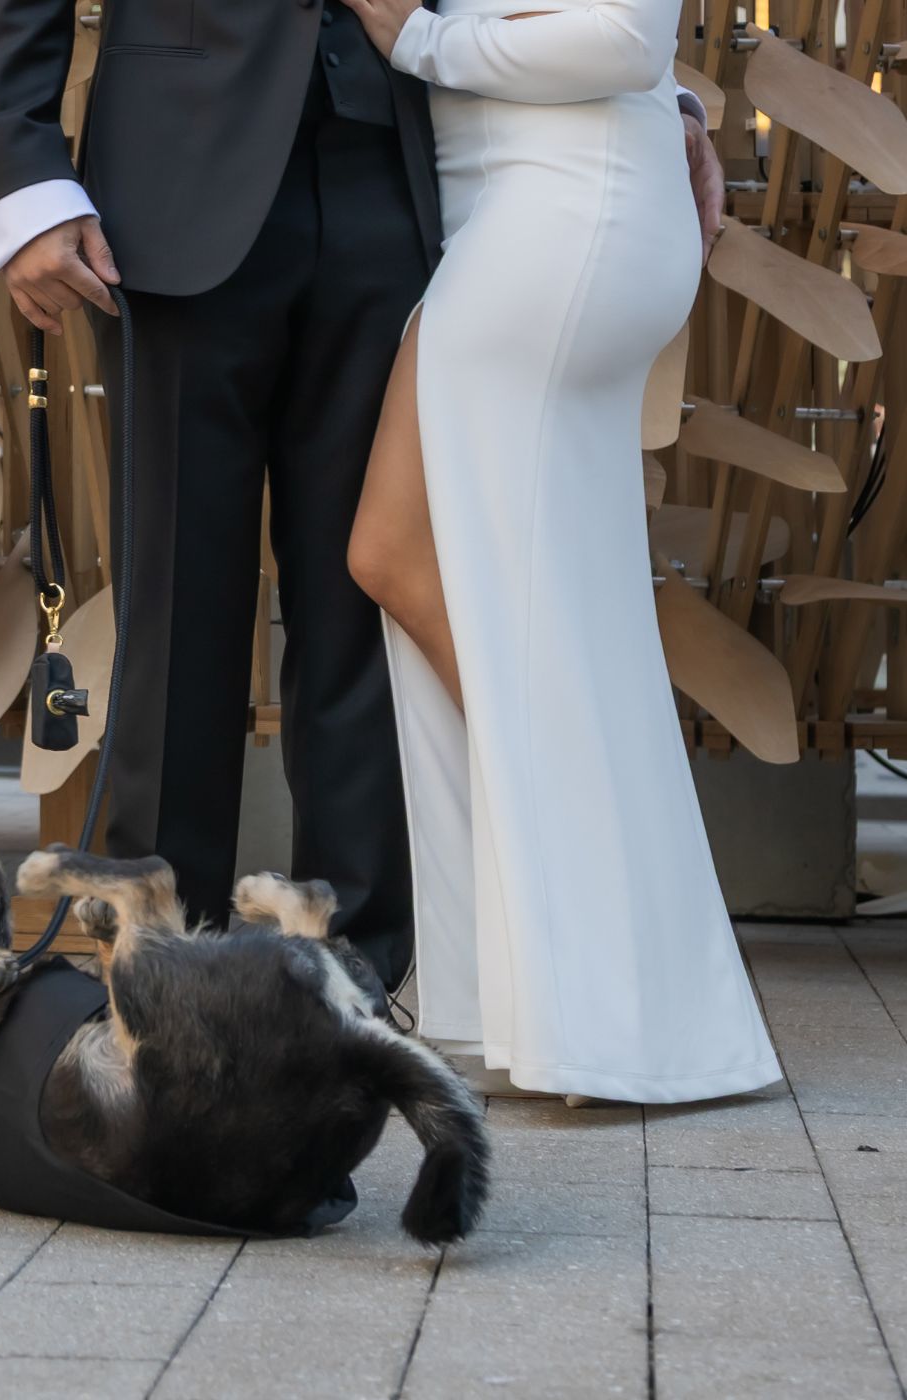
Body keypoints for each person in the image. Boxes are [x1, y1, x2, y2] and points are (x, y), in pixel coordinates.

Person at [0, 0, 724, 995]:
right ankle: (155, 981)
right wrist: (24, 169)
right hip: (173, 176)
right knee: (177, 602)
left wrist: (642, 91)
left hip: (402, 179)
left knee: (366, 606)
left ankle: (349, 989)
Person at [343, 0, 782, 1102]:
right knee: (408, 564)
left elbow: (616, 37)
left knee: (445, 578)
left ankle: (595, 978)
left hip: (561, 211)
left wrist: (419, 41)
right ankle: (561, 978)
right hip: (518, 204)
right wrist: (670, 97)